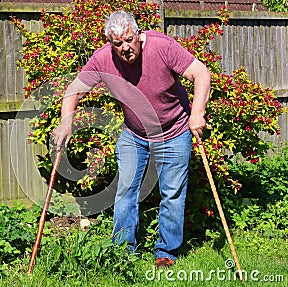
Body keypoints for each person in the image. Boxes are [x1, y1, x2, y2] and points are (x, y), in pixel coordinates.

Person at [53, 10, 211, 268]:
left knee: (171, 194)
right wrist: (66, 121)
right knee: (125, 190)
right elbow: (74, 90)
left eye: (129, 40)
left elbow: (201, 74)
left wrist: (197, 114)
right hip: (135, 135)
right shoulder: (103, 59)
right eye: (118, 44)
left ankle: (165, 253)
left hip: (174, 131)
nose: (125, 48)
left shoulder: (162, 47)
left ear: (138, 35)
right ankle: (122, 253)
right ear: (110, 44)